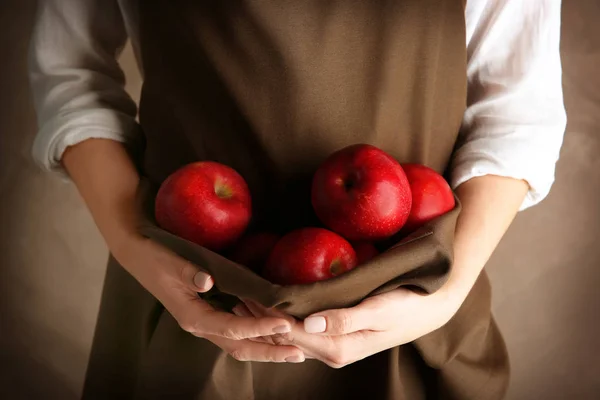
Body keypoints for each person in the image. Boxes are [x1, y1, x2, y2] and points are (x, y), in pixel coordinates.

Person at [28, 0, 566, 399]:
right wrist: (129, 241)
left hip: (413, 299)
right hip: (188, 291)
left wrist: (446, 296)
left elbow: (516, 109)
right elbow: (70, 73)